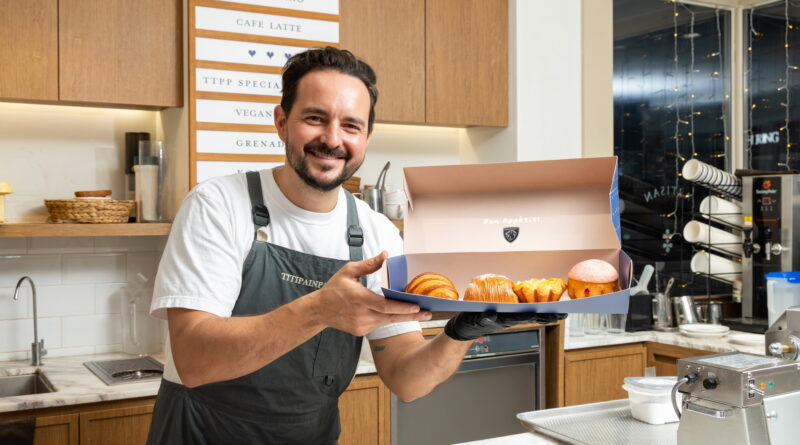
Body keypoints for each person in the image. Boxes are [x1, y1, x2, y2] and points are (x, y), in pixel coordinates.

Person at [145, 46, 565, 444]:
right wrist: (318, 308)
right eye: (314, 118)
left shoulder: (376, 232)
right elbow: (194, 360)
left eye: (350, 125)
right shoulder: (217, 205)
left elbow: (407, 379)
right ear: (280, 121)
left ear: (367, 135)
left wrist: (459, 334)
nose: (332, 139)